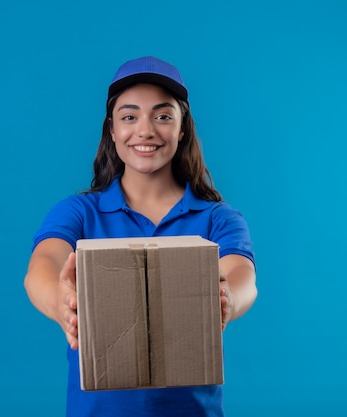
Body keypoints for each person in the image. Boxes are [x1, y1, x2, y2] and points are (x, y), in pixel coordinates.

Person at [24, 56, 257, 417]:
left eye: (163, 116)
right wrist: (61, 302)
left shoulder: (218, 217)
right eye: (129, 117)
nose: (145, 130)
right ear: (113, 130)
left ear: (182, 129)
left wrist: (226, 298)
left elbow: (242, 274)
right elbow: (43, 264)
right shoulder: (80, 212)